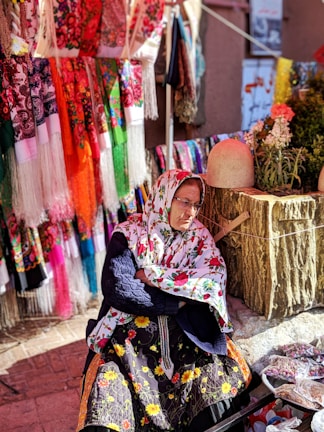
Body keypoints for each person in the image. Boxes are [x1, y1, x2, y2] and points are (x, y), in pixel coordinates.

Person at [77, 169, 252, 432]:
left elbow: (211, 280)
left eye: (196, 205)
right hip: (131, 344)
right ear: (164, 198)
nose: (191, 212)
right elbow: (119, 288)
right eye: (184, 202)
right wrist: (176, 300)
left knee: (214, 392)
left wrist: (153, 276)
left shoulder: (198, 237)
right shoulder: (130, 234)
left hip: (185, 338)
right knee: (109, 398)